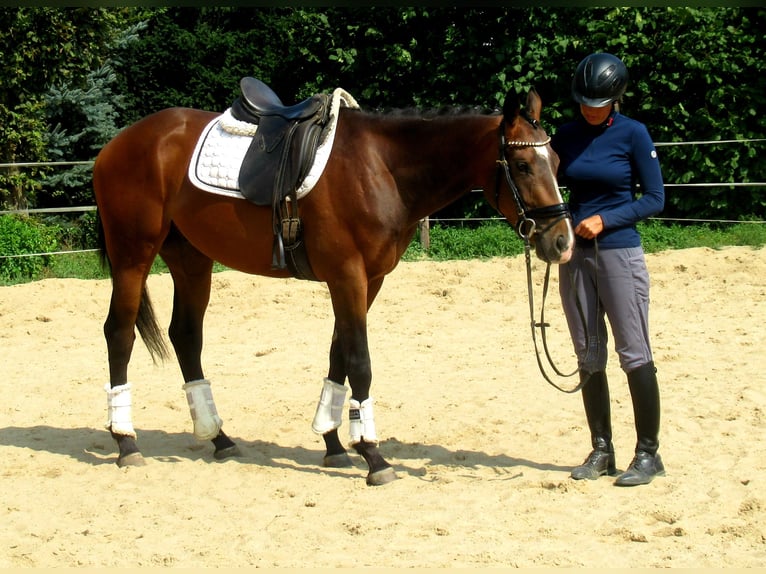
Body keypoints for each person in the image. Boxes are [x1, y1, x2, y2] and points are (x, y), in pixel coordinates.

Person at [550, 52, 666, 486]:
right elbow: (542, 181)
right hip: (576, 255)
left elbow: (655, 198)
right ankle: (602, 449)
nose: (588, 109)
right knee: (588, 352)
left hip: (619, 252)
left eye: (597, 103)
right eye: (583, 102)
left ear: (615, 98)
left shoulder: (634, 134)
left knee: (634, 351)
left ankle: (649, 453)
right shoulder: (566, 135)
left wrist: (608, 219)